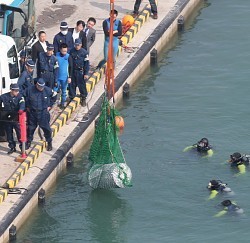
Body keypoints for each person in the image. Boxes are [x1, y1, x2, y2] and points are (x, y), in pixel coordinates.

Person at [24, 78, 56, 151]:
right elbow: (23, 97)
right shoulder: (29, 90)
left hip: (43, 113)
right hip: (32, 113)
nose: (41, 89)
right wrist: (27, 106)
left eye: (42, 87)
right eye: (40, 87)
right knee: (30, 129)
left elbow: (54, 96)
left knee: (46, 129)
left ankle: (49, 142)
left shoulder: (47, 90)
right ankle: (28, 142)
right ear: (36, 85)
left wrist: (50, 105)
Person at [0, 84, 25, 154]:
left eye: (18, 91)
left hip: (16, 117)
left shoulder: (20, 97)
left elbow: (22, 103)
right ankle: (12, 147)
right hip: (7, 118)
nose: (17, 92)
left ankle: (22, 148)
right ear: (11, 90)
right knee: (9, 134)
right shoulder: (4, 97)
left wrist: (21, 109)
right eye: (15, 91)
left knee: (19, 133)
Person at [69, 38, 89, 105]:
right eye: (76, 45)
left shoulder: (84, 52)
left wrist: (86, 73)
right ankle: (72, 97)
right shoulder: (71, 51)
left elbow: (86, 63)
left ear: (81, 45)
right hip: (73, 70)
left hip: (80, 71)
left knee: (82, 85)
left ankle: (83, 97)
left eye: (78, 45)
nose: (77, 46)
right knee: (72, 85)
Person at [55, 43, 73, 108]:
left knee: (64, 91)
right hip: (57, 77)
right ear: (60, 50)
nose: (64, 52)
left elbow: (71, 67)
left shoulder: (68, 56)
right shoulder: (56, 55)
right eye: (63, 51)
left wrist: (70, 77)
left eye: (66, 51)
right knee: (54, 90)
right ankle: (54, 102)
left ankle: (63, 103)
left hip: (65, 77)